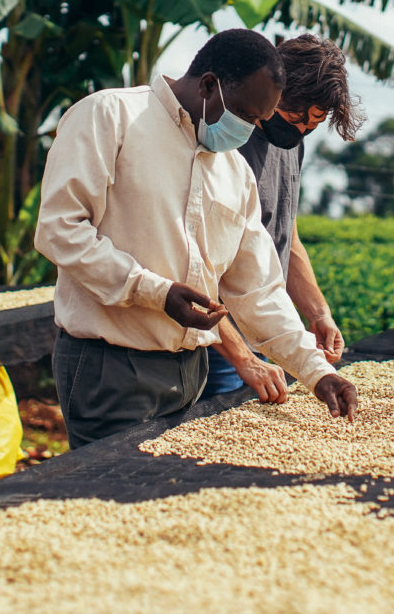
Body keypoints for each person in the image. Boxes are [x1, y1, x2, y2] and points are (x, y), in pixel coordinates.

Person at [34, 28, 359, 448]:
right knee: (116, 501)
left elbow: (258, 288)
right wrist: (155, 292)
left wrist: (317, 372)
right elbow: (60, 230)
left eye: (260, 120)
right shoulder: (109, 116)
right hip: (109, 366)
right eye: (245, 115)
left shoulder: (233, 171)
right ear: (209, 85)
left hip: (191, 373)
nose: (251, 130)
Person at [202, 33, 363, 402]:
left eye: (312, 125)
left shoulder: (293, 145)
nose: (300, 130)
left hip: (269, 331)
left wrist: (317, 312)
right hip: (218, 341)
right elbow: (194, 263)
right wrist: (241, 356)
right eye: (295, 118)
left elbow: (285, 233)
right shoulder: (227, 144)